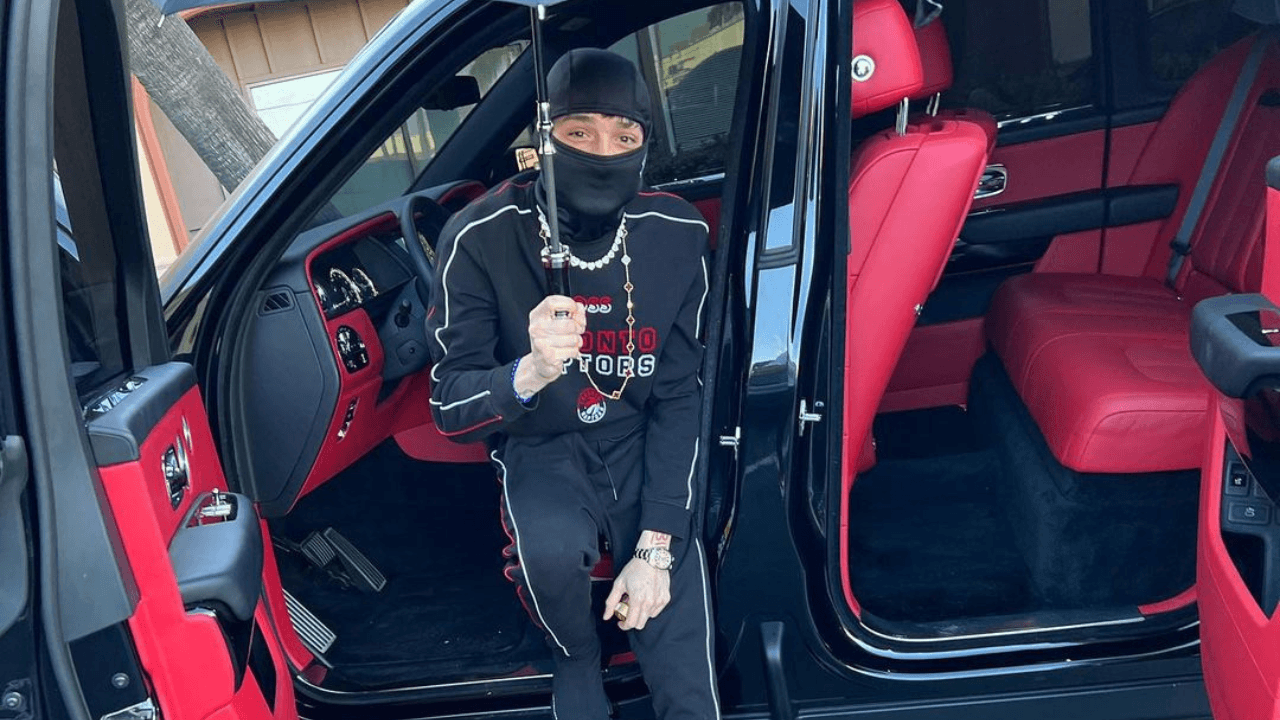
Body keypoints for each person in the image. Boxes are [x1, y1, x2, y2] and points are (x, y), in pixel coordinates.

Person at [426, 48, 718, 720]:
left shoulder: (677, 233)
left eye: (624, 135)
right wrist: (526, 372)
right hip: (541, 441)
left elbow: (680, 395)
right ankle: (576, 653)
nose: (603, 151)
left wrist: (656, 548)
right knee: (552, 555)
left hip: (643, 438)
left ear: (645, 143)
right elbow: (449, 405)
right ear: (544, 136)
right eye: (579, 132)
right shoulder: (479, 236)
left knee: (687, 685)